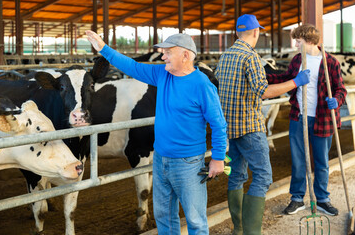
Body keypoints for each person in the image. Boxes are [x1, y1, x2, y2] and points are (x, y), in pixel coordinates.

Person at [85, 30, 227, 234]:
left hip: (188, 163)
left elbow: (219, 124)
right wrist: (104, 49)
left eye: (168, 52)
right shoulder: (162, 75)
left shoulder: (202, 85)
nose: (163, 56)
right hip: (161, 159)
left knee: (195, 220)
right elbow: (132, 67)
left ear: (185, 55)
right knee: (164, 217)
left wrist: (218, 158)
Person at [215, 14, 310, 235]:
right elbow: (264, 91)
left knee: (237, 176)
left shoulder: (225, 56)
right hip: (249, 126)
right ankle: (252, 232)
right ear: (256, 32)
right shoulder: (251, 58)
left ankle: (238, 229)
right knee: (263, 176)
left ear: (238, 32)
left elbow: (219, 85)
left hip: (229, 128)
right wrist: (296, 82)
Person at [267, 24, 347, 216]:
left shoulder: (330, 62)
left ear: (309, 42)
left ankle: (322, 199)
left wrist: (336, 100)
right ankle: (297, 198)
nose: (295, 44)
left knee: (321, 162)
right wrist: (264, 77)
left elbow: (341, 89)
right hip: (299, 117)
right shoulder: (297, 60)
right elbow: (285, 77)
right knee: (298, 161)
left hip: (323, 118)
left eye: (298, 41)